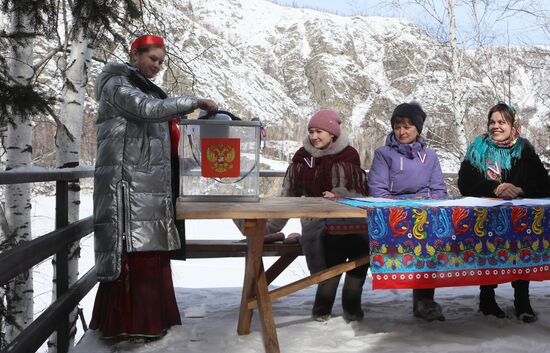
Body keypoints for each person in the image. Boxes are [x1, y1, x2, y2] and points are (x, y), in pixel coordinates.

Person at [90, 35, 218, 340]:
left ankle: (148, 321)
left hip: (143, 183)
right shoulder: (118, 85)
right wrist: (194, 101)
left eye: (161, 61)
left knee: (148, 246)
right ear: (136, 55)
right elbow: (147, 109)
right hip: (128, 184)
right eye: (153, 59)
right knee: (134, 248)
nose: (157, 66)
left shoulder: (139, 86)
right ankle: (131, 325)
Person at [267, 109, 369, 322]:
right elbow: (288, 193)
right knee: (332, 247)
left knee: (361, 247)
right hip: (317, 219)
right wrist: (269, 226)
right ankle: (322, 308)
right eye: (311, 131)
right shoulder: (302, 157)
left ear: (332, 133)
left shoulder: (349, 155)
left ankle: (352, 304)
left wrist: (340, 195)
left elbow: (360, 191)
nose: (314, 136)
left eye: (319, 131)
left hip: (350, 217)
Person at [458, 102, 550, 323]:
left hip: (518, 217)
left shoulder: (523, 149)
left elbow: (543, 184)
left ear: (512, 125)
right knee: (487, 247)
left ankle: (522, 301)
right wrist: (495, 188)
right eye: (492, 121)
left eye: (502, 122)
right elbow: (465, 182)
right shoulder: (478, 148)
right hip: (486, 215)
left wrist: (521, 189)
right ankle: (487, 299)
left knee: (522, 247)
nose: (496, 126)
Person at [368, 101, 447, 322]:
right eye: (397, 126)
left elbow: (439, 188)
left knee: (431, 243)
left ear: (418, 129)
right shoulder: (383, 154)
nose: (402, 131)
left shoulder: (430, 155)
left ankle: (424, 301)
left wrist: (430, 206)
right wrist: (399, 208)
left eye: (407, 126)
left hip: (424, 212)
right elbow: (378, 188)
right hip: (395, 212)